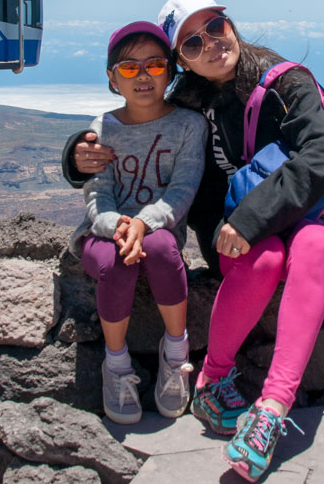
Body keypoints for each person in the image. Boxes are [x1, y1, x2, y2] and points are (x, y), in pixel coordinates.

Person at [67, 0, 324, 482]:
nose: (211, 44)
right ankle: (213, 378)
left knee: (318, 247)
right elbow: (138, 118)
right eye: (192, 42)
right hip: (232, 226)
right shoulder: (192, 95)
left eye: (216, 26)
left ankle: (271, 411)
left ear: (231, 24)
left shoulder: (287, 83)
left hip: (278, 213)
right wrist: (75, 156)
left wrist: (250, 220)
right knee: (263, 262)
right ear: (182, 60)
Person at [69, 21, 208, 426]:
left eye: (154, 65)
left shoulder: (188, 126)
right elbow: (98, 195)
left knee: (163, 249)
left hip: (159, 230)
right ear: (113, 78)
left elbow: (183, 188)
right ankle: (115, 366)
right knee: (116, 261)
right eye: (129, 68)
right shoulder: (102, 128)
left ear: (170, 71)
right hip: (105, 233)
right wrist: (118, 227)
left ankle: (176, 355)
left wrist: (144, 224)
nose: (143, 76)